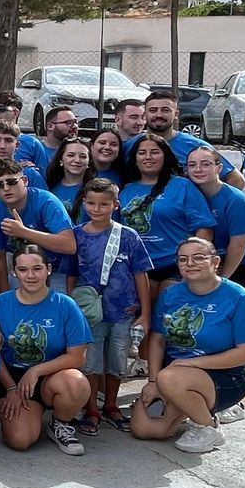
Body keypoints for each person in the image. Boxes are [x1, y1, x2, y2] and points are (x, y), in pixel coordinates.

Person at [130, 236, 245, 455]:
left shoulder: (239, 297)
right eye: (183, 259)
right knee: (144, 429)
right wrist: (153, 381)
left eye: (199, 258)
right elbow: (158, 339)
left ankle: (208, 427)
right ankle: (190, 406)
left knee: (170, 378)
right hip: (173, 374)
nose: (190, 264)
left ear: (215, 262)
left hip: (223, 375)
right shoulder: (170, 294)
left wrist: (192, 364)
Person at [0, 246, 93, 456]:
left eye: (37, 268)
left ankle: (60, 422)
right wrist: (10, 388)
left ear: (48, 269)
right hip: (12, 377)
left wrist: (36, 371)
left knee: (77, 383)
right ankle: (24, 411)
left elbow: (77, 357)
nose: (30, 275)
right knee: (20, 440)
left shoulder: (66, 305)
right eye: (23, 270)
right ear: (14, 272)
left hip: (51, 375)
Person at [68, 177, 153, 432]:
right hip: (90, 313)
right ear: (84, 202)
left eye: (103, 204)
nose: (96, 209)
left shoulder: (128, 236)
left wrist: (145, 312)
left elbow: (140, 274)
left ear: (115, 205)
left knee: (117, 360)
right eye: (91, 203)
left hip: (123, 310)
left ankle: (111, 405)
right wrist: (73, 306)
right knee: (91, 361)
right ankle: (91, 408)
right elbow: (71, 272)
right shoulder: (77, 235)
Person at [118, 133, 213, 288]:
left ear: (165, 156)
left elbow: (204, 228)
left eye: (155, 152)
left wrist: (192, 263)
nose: (148, 157)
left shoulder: (183, 186)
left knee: (168, 298)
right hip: (138, 265)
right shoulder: (126, 190)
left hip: (175, 265)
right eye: (142, 153)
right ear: (135, 159)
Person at [0, 160, 76, 294]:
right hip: (21, 270)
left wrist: (24, 232)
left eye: (11, 182)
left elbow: (70, 245)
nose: (6, 188)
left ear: (25, 181)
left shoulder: (46, 202)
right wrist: (4, 295)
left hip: (58, 270)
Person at [185, 145, 245, 298]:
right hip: (210, 263)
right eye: (192, 165)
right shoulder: (189, 195)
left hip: (243, 264)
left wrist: (222, 280)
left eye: (206, 164)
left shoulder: (235, 200)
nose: (198, 169)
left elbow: (239, 245)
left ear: (219, 168)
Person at [138, 89, 243, 188]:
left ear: (176, 114)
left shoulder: (196, 146)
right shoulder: (133, 145)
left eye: (165, 110)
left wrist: (208, 201)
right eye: (153, 110)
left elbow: (237, 180)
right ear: (145, 115)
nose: (158, 115)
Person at [0, 92, 49, 168]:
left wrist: (26, 171)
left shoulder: (32, 144)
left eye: (1, 109)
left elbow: (44, 172)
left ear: (15, 113)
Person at [44, 137, 95, 218]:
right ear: (61, 159)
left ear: (89, 162)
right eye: (71, 155)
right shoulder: (48, 185)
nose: (77, 160)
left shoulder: (96, 189)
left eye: (83, 156)